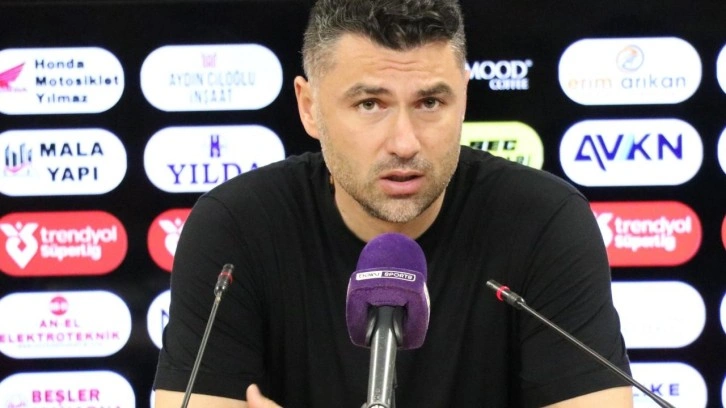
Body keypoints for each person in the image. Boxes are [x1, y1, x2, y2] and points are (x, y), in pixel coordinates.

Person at [153, 0, 634, 407]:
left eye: (429, 103)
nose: (404, 143)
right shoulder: (235, 227)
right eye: (370, 104)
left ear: (464, 99)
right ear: (309, 107)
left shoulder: (543, 221)